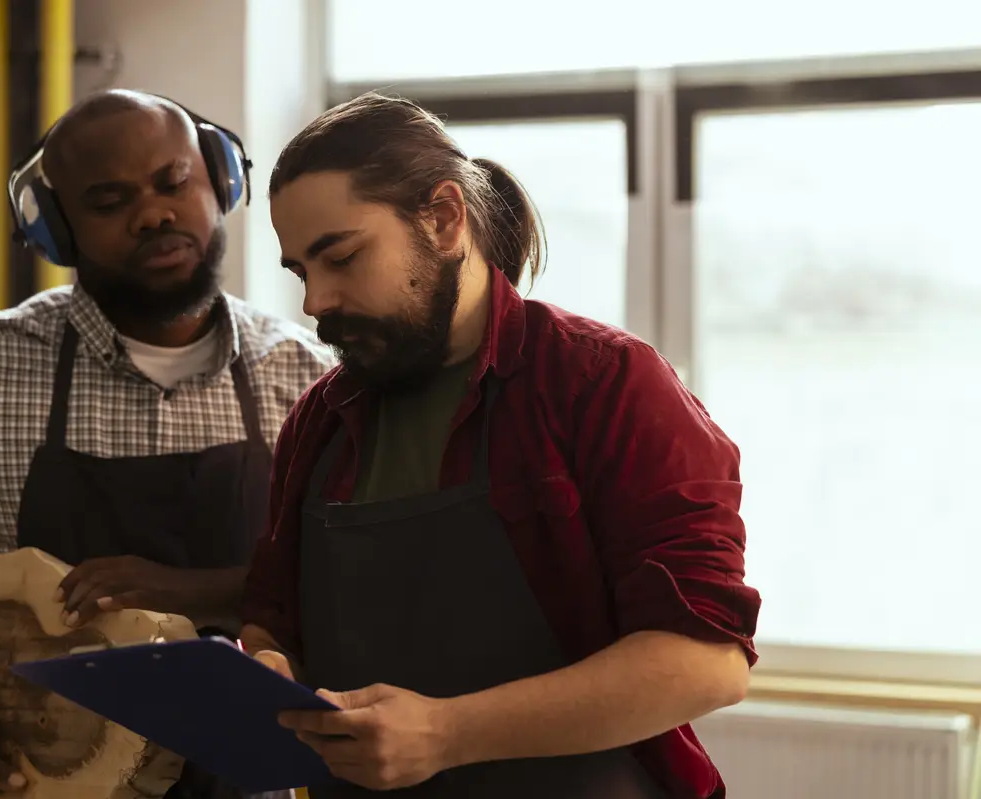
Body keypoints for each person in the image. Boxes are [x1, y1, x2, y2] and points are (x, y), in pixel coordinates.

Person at [0, 89, 334, 799]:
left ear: (221, 180)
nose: (156, 214)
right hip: (22, 780)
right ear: (58, 231)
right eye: (110, 202)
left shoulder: (305, 375)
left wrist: (194, 590)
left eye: (174, 182)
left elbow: (348, 577)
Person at [238, 92, 762, 799]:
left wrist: (448, 733)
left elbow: (705, 661)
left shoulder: (602, 383)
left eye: (343, 258)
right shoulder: (319, 422)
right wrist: (268, 663)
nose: (315, 302)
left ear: (445, 220)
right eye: (302, 270)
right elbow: (275, 619)